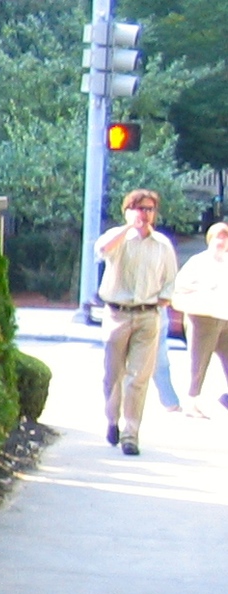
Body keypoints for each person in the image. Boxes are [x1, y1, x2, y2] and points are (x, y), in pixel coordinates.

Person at [96, 189, 176, 455]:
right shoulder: (118, 238)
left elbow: (170, 279)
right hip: (117, 314)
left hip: (147, 316)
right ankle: (112, 420)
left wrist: (162, 299)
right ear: (129, 210)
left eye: (150, 209)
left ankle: (131, 433)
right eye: (140, 208)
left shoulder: (162, 245)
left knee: (138, 378)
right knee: (113, 375)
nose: (145, 214)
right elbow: (103, 250)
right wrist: (128, 227)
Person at [178, 221, 228, 411]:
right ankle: (192, 399)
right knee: (198, 362)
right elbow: (181, 285)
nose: (222, 241)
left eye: (225, 237)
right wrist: (203, 289)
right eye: (218, 237)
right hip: (202, 318)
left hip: (225, 318)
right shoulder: (198, 262)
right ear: (210, 239)